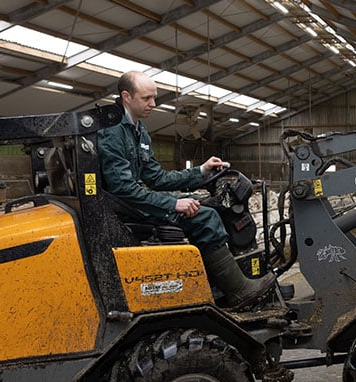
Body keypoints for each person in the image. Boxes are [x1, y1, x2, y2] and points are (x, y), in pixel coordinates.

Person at [97, 70, 275, 308]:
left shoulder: (139, 130)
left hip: (132, 200)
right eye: (147, 98)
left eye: (154, 97)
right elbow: (122, 188)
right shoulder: (113, 131)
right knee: (205, 217)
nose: (153, 103)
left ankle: (216, 281)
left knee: (206, 204)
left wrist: (201, 171)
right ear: (126, 96)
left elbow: (157, 178)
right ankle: (239, 291)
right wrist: (172, 203)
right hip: (122, 205)